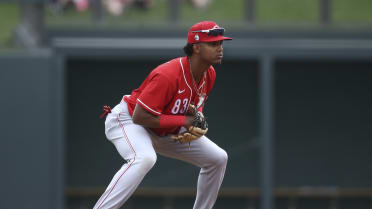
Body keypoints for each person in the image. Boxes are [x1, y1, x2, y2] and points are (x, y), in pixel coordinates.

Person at [94, 20, 232, 209]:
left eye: (220, 44)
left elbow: (194, 108)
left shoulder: (209, 74)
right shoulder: (168, 74)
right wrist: (184, 120)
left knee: (218, 158)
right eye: (213, 44)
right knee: (144, 158)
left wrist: (195, 122)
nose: (220, 48)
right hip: (129, 121)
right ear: (197, 47)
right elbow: (140, 116)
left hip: (163, 129)